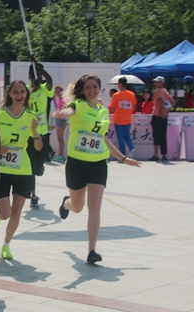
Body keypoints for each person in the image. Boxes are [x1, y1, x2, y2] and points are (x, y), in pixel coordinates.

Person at [53, 75, 140, 264]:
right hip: (77, 162)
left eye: (95, 86)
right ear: (83, 90)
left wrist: (123, 158)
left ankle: (91, 251)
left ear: (99, 88)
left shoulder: (102, 111)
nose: (92, 90)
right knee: (77, 207)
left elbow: (104, 139)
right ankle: (66, 203)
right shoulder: (78, 105)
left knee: (95, 207)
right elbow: (69, 111)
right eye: (88, 87)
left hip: (98, 163)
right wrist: (62, 113)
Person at [0, 80, 42, 260]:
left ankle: (6, 245)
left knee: (16, 212)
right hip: (2, 169)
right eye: (15, 92)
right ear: (9, 94)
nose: (19, 95)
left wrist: (35, 131)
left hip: (23, 170)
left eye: (22, 91)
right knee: (6, 213)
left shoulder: (31, 116)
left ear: (26, 94)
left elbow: (38, 147)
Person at [27, 56, 53, 209]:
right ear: (30, 75)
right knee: (31, 167)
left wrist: (37, 64)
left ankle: (40, 166)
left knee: (38, 169)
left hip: (43, 133)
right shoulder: (26, 91)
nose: (38, 76)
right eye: (34, 73)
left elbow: (49, 80)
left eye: (40, 73)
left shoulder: (45, 89)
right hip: (29, 134)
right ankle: (33, 195)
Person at [109, 77, 137, 158]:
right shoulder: (131, 94)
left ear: (120, 84)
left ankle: (123, 154)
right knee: (127, 136)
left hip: (118, 119)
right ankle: (131, 148)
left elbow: (112, 108)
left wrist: (119, 111)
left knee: (120, 138)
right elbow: (134, 105)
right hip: (128, 119)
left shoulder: (116, 95)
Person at [150, 76, 175, 162]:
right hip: (164, 117)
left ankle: (156, 155)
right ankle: (164, 155)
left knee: (156, 135)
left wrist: (161, 111)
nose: (155, 83)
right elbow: (173, 102)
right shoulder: (165, 91)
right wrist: (166, 111)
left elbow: (162, 100)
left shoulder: (158, 90)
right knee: (163, 136)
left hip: (157, 115)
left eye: (157, 82)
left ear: (162, 83)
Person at [52, 85, 67, 162]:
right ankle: (60, 155)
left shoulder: (63, 100)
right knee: (59, 138)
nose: (57, 93)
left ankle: (61, 156)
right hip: (58, 119)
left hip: (61, 120)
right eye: (56, 91)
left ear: (62, 91)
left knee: (60, 138)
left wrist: (57, 113)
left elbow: (64, 110)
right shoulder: (59, 100)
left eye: (59, 91)